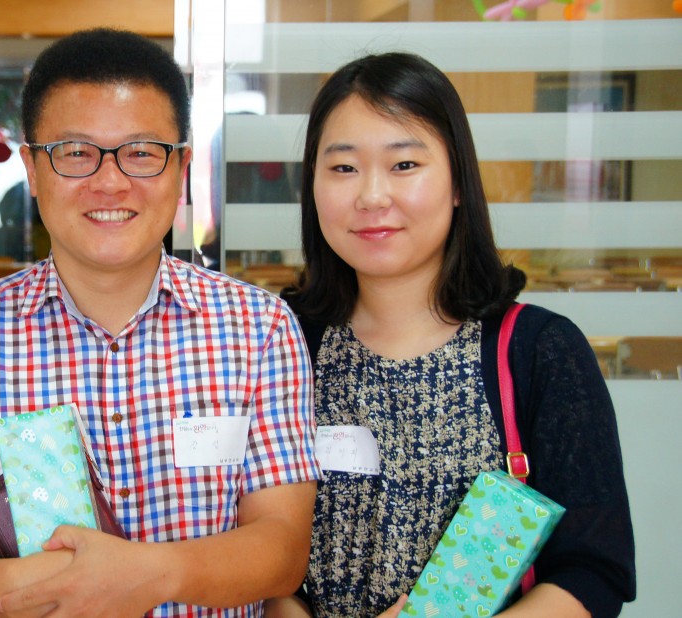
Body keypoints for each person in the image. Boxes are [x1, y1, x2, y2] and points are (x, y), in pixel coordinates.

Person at [0, 28, 318, 617]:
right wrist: (47, 585)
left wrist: (139, 575)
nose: (110, 182)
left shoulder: (260, 329)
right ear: (32, 169)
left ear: (182, 168)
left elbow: (282, 550)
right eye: (76, 153)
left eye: (142, 152)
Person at [270, 52, 636, 618]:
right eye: (343, 168)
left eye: (404, 164)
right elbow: (249, 545)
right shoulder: (278, 341)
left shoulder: (540, 350)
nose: (372, 196)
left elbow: (594, 569)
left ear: (459, 182)